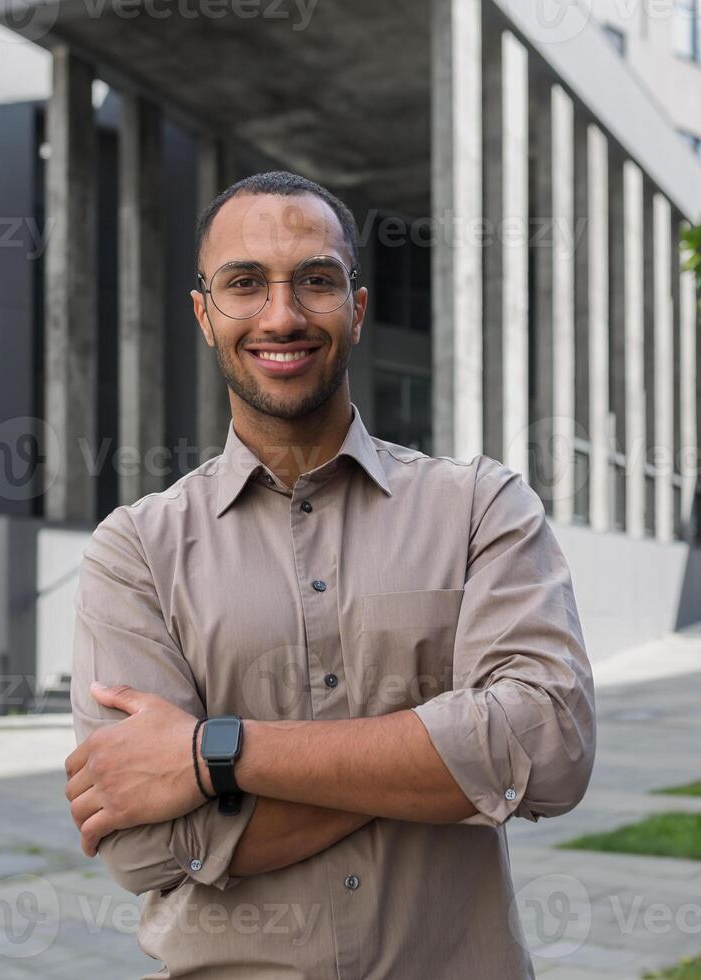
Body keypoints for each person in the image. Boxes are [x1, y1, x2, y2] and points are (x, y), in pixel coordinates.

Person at [64, 170, 596, 978]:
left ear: (357, 306)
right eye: (245, 284)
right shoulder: (134, 550)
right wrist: (436, 757)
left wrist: (213, 757)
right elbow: (141, 847)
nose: (282, 315)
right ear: (205, 314)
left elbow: (549, 749)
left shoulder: (482, 506)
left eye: (315, 280)